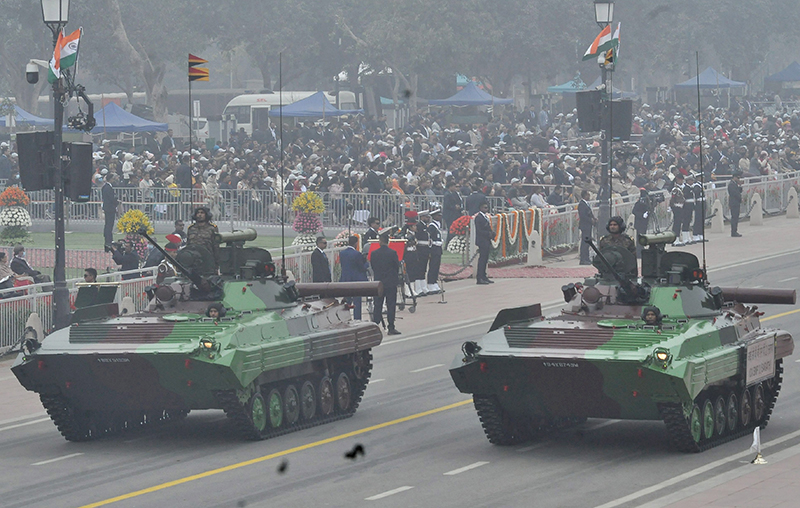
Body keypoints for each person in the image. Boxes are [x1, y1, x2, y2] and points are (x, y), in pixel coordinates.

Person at [370, 233, 401, 335]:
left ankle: (375, 326)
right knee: (391, 305)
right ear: (388, 241)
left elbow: (373, 267)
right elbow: (397, 266)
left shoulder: (374, 253)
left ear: (380, 241)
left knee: (377, 304)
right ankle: (391, 327)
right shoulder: (392, 253)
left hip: (379, 282)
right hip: (391, 282)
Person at [339, 235, 368, 319]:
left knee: (347, 301)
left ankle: (345, 318)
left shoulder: (342, 253)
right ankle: (357, 318)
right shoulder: (357, 254)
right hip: (356, 280)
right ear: (356, 243)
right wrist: (366, 263)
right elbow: (361, 268)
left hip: (345, 279)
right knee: (357, 302)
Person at [185, 206, 220, 274]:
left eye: (202, 213)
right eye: (198, 213)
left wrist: (216, 264)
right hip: (193, 260)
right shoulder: (191, 228)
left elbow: (215, 246)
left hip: (207, 260)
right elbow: (188, 244)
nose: (200, 215)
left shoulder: (212, 228)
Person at [474, 202, 494, 285]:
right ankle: (480, 277)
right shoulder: (478, 217)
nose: (486, 209)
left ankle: (484, 275)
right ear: (481, 208)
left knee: (485, 259)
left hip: (486, 240)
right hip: (482, 240)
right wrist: (488, 234)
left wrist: (492, 233)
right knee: (482, 259)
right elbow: (479, 230)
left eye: (487, 208)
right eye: (485, 208)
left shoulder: (485, 217)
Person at [426, 208, 444, 294]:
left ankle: (434, 282)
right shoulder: (432, 226)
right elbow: (429, 238)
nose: (440, 217)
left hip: (438, 248)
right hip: (434, 248)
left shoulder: (437, 225)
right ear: (434, 217)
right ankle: (430, 283)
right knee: (433, 266)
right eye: (438, 215)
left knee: (436, 266)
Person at [414, 210, 431, 296]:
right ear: (422, 217)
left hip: (425, 249)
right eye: (426, 217)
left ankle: (423, 287)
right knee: (419, 269)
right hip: (420, 249)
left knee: (423, 269)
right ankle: (418, 288)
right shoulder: (419, 226)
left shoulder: (425, 226)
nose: (428, 218)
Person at [631, 189, 651, 258]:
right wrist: (642, 215)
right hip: (639, 223)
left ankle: (642, 249)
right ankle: (639, 251)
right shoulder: (638, 203)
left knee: (643, 237)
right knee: (639, 237)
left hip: (644, 223)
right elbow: (634, 211)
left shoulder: (646, 203)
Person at [578, 190, 596, 265]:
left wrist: (594, 218)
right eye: (588, 195)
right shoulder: (582, 204)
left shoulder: (586, 204)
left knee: (588, 242)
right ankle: (583, 259)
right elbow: (583, 216)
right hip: (585, 225)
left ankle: (587, 258)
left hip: (588, 225)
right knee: (585, 243)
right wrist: (590, 220)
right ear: (585, 195)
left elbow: (589, 213)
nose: (589, 196)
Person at [101, 173, 119, 246]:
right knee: (109, 225)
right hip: (110, 208)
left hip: (107, 207)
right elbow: (111, 198)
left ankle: (108, 239)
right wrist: (116, 202)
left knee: (108, 224)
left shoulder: (105, 187)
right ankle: (108, 240)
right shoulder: (108, 187)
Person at [670, 174, 686, 245]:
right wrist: (671, 206)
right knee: (676, 223)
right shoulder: (675, 189)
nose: (682, 181)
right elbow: (673, 199)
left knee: (679, 223)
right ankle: (675, 239)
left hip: (680, 207)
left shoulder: (680, 188)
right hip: (676, 207)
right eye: (681, 180)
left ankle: (678, 237)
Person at [728, 172, 743, 237]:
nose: (738, 179)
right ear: (734, 177)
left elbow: (739, 191)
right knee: (734, 217)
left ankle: (735, 230)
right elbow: (734, 193)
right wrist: (740, 198)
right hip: (734, 202)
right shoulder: (731, 184)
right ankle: (733, 231)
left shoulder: (735, 184)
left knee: (736, 217)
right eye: (738, 178)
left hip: (736, 202)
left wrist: (740, 185)